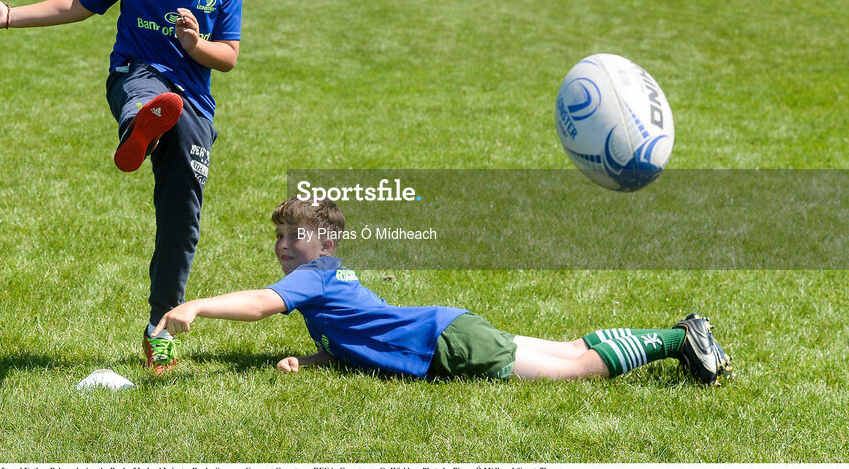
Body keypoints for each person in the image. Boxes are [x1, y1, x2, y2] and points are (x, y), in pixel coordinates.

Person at [0, 0, 243, 375]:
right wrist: (8, 15)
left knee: (182, 221)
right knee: (146, 93)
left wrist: (196, 45)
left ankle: (161, 325)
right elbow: (78, 5)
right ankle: (139, 126)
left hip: (194, 103)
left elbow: (229, 57)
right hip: (136, 74)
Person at [153, 197, 734, 385]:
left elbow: (260, 304)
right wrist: (313, 357)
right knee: (565, 348)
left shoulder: (310, 278)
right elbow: (363, 330)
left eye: (295, 236)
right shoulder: (328, 283)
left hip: (447, 344)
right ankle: (680, 334)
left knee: (572, 368)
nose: (284, 245)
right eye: (279, 236)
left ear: (324, 245)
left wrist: (197, 305)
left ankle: (677, 340)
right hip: (448, 327)